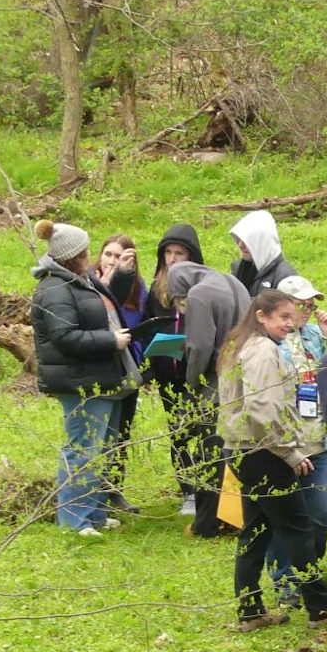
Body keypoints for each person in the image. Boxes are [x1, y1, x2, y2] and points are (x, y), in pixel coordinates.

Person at [217, 288, 327, 628]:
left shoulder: (239, 343)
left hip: (243, 449)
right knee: (297, 529)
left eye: (291, 317)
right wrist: (291, 452)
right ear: (261, 316)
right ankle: (323, 610)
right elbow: (263, 411)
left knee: (255, 532)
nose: (290, 324)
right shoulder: (263, 351)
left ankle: (250, 611)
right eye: (283, 317)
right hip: (264, 452)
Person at [30, 220, 138, 536]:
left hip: (102, 379)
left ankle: (94, 513)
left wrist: (124, 276)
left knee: (101, 450)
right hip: (80, 384)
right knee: (82, 450)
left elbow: (100, 308)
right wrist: (111, 341)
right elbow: (65, 337)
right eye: (85, 250)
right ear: (74, 255)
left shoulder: (80, 280)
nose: (90, 254)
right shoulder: (54, 290)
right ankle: (74, 519)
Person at [160, 256, 252, 538]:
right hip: (242, 381)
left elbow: (199, 346)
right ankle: (237, 518)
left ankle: (207, 524)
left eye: (179, 302)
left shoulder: (199, 294)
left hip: (213, 387)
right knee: (234, 454)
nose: (181, 307)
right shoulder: (234, 283)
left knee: (208, 456)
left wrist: (192, 382)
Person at [267, 276, 327, 606]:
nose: (309, 311)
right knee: (287, 517)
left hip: (320, 439)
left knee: (321, 514)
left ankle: (308, 572)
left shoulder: (313, 335)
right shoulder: (271, 344)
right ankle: (284, 580)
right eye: (302, 306)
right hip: (288, 442)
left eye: (312, 305)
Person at [138, 224, 205, 519]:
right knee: (178, 431)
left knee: (202, 429)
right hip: (168, 371)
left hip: (197, 371)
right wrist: (150, 370)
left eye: (179, 253)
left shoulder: (203, 286)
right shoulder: (157, 287)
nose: (173, 258)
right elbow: (147, 325)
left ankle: (207, 487)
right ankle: (188, 490)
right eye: (168, 252)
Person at [93, 233, 145, 510]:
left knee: (121, 432)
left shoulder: (137, 288)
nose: (111, 261)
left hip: (130, 366)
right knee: (100, 431)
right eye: (108, 254)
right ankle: (94, 493)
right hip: (103, 369)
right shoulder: (90, 284)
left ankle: (114, 488)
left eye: (118, 256)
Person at [229, 210, 299, 295]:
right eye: (238, 239)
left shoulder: (286, 277)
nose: (240, 245)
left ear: (262, 242)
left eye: (247, 241)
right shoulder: (239, 269)